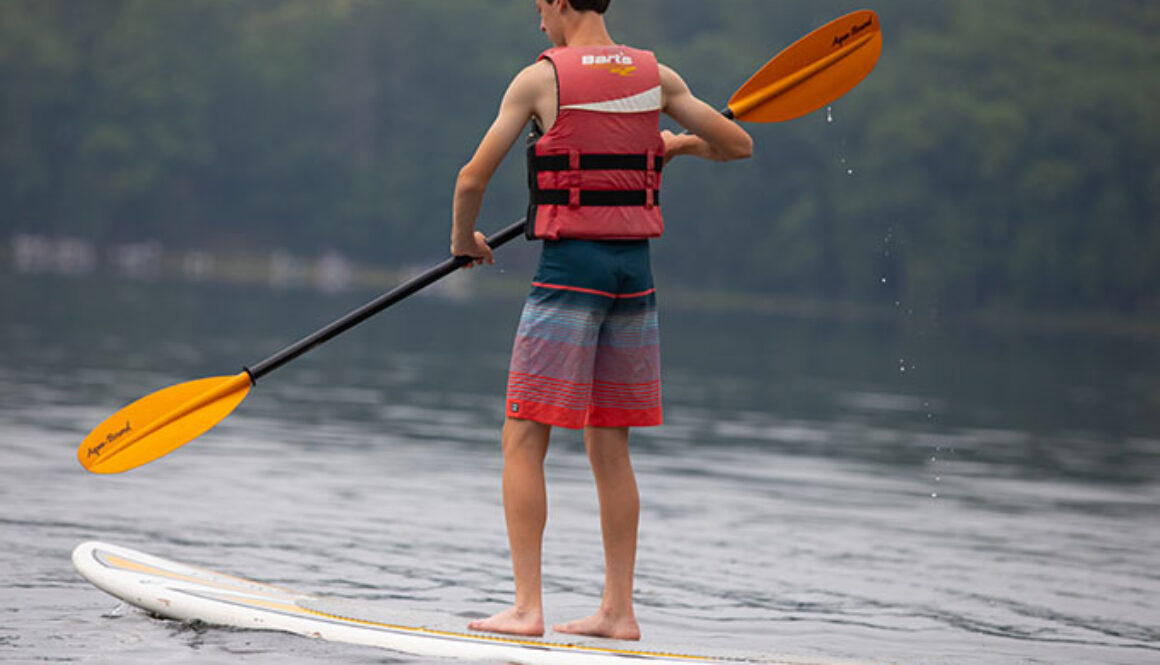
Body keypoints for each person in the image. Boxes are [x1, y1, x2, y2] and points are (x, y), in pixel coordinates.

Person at [449, 0, 752, 640]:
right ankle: (619, 611)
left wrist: (463, 241)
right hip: (633, 279)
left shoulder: (542, 79)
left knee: (524, 434)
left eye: (540, 8)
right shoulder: (656, 78)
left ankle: (527, 608)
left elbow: (471, 178)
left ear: (560, 2)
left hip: (570, 273)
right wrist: (675, 149)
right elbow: (738, 144)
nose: (539, 23)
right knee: (610, 441)